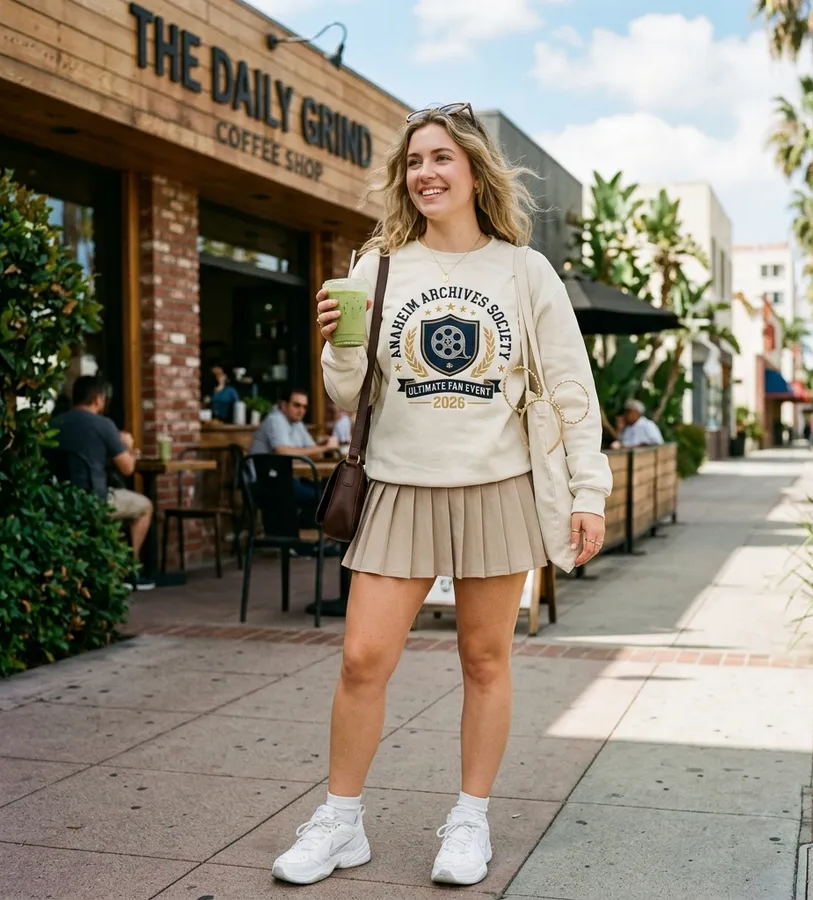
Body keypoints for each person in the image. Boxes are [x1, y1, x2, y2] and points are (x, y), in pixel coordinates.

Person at [271, 103, 612, 888]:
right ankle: (341, 822)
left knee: (486, 660)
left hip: (498, 487)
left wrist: (588, 492)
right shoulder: (378, 264)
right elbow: (350, 396)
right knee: (362, 659)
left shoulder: (524, 271)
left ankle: (469, 821)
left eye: (440, 159)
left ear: (473, 172)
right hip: (397, 486)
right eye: (414, 161)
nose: (425, 172)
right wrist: (338, 343)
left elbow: (571, 389)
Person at [55, 375, 155, 591]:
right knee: (145, 506)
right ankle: (129, 571)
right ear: (99, 399)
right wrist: (128, 447)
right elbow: (127, 468)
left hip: (59, 499)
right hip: (94, 500)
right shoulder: (103, 425)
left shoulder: (56, 422)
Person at [248, 386, 338, 505]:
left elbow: (313, 450)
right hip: (265, 482)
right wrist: (325, 447)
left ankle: (304, 522)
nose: (301, 410)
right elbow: (283, 452)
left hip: (287, 480)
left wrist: (322, 444)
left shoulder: (297, 423)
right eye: (296, 405)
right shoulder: (275, 419)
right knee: (325, 498)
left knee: (330, 493)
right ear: (284, 405)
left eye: (304, 407)